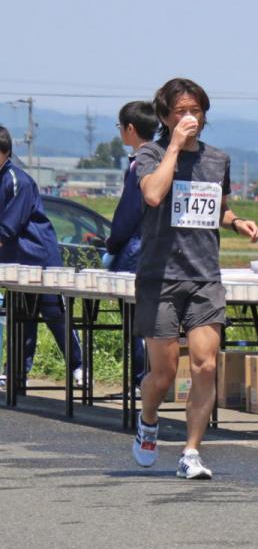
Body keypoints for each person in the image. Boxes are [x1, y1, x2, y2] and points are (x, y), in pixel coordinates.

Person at [131, 78, 258, 479]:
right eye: (181, 112)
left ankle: (191, 452)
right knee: (165, 372)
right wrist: (173, 146)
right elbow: (153, 195)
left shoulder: (217, 160)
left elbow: (212, 208)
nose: (190, 118)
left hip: (204, 276)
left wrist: (236, 220)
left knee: (205, 365)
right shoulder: (149, 154)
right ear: (165, 117)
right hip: (160, 276)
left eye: (196, 111)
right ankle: (148, 419)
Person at [0, 125, 83, 387]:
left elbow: (7, 226)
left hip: (38, 257)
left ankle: (79, 366)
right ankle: (15, 371)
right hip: (15, 262)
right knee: (19, 318)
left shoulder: (17, 180)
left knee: (55, 315)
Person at [105, 101, 158, 389]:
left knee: (136, 324)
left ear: (130, 129)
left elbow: (126, 215)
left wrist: (112, 245)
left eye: (120, 127)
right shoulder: (165, 159)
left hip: (135, 254)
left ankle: (140, 381)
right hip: (159, 253)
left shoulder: (140, 165)